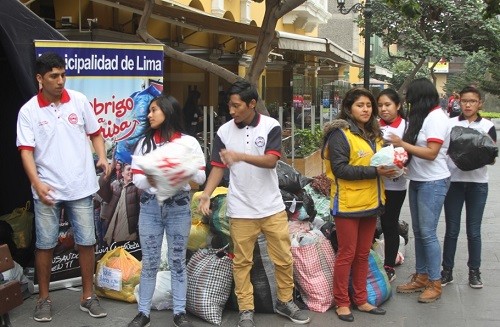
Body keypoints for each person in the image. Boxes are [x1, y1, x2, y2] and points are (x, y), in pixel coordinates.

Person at [198, 80, 310, 327]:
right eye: (229, 105)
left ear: (251, 104)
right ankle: (246, 309)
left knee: (283, 258)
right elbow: (218, 166)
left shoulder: (271, 126)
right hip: (240, 209)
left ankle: (285, 301)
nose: (232, 110)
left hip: (271, 207)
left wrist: (239, 157)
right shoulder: (224, 131)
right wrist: (206, 193)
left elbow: (271, 161)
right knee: (241, 262)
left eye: (237, 105)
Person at [16, 52, 110, 322]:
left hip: (81, 186)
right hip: (47, 189)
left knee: (87, 242)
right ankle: (44, 299)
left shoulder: (79, 101)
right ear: (40, 78)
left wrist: (101, 156)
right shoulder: (29, 111)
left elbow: (95, 133)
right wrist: (37, 183)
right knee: (45, 245)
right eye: (53, 76)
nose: (60, 81)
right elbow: (25, 152)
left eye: (63, 75)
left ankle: (88, 297)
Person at [128, 94, 206, 327]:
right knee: (150, 261)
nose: (149, 115)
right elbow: (137, 180)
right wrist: (159, 176)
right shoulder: (144, 144)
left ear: (168, 112)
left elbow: (201, 176)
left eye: (154, 110)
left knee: (177, 260)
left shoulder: (188, 143)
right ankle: (143, 313)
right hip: (150, 207)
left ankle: (179, 313)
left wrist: (180, 169)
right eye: (149, 111)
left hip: (179, 207)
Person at [322, 88, 393, 322]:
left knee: (363, 253)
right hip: (348, 204)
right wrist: (375, 171)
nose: (366, 109)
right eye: (360, 105)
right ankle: (342, 302)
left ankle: (361, 299)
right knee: (347, 254)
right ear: (349, 108)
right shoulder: (340, 134)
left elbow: (381, 162)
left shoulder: (374, 133)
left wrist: (392, 169)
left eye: (369, 105)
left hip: (372, 202)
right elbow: (340, 169)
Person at [389, 78, 450, 303]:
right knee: (420, 232)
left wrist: (401, 144)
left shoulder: (435, 118)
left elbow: (432, 152)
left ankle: (435, 281)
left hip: (433, 182)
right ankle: (422, 276)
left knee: (428, 233)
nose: (409, 103)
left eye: (411, 98)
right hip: (418, 180)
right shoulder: (426, 117)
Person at [441, 86, 496, 289]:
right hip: (453, 183)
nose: (468, 104)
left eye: (472, 101)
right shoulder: (449, 124)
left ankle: (475, 271)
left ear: (480, 103)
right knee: (451, 230)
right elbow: (444, 151)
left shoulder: (488, 126)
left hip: (478, 184)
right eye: (464, 101)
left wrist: (471, 156)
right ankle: (447, 271)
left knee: (474, 231)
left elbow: (491, 158)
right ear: (459, 102)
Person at [376, 89, 408, 282]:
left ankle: (388, 265)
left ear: (398, 106)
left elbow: (410, 152)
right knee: (369, 223)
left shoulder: (406, 126)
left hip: (395, 186)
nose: (383, 109)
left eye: (388, 105)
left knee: (390, 223)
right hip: (373, 183)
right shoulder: (372, 126)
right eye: (380, 105)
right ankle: (371, 261)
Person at [97, 162, 141, 246]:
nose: (131, 171)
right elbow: (102, 186)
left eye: (133, 169)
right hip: (112, 234)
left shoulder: (137, 187)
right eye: (128, 169)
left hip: (129, 236)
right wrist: (111, 166)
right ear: (122, 173)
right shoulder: (115, 185)